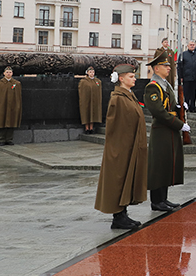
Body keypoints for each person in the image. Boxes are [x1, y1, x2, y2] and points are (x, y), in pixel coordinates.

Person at [94, 64, 148, 229]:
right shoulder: (118, 98)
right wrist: (120, 148)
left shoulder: (128, 96)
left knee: (125, 180)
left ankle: (122, 214)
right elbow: (114, 127)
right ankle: (118, 217)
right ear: (121, 78)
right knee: (119, 180)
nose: (135, 78)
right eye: (131, 76)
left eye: (134, 76)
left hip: (130, 146)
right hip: (122, 148)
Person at [144, 56, 188, 212]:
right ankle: (156, 201)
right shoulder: (153, 87)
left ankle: (163, 199)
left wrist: (179, 106)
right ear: (156, 68)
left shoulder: (166, 84)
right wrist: (179, 124)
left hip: (169, 130)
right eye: (165, 66)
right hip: (161, 130)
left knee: (166, 165)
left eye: (169, 65)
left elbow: (169, 104)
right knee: (159, 166)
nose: (169, 68)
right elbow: (159, 111)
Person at [0, 66, 22, 145]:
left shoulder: (16, 84)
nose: (8, 74)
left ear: (12, 73)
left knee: (11, 122)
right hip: (2, 106)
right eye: (7, 72)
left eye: (10, 72)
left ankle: (9, 139)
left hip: (12, 106)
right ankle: (2, 140)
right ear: (4, 73)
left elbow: (18, 97)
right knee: (1, 122)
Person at [177, 41, 196, 112]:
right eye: (190, 45)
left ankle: (192, 107)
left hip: (195, 77)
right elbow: (180, 66)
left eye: (193, 45)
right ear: (188, 46)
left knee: (193, 93)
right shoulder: (183, 54)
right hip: (186, 77)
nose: (192, 46)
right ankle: (186, 107)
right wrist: (180, 76)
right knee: (186, 93)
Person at [78, 65, 102, 134]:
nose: (92, 73)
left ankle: (91, 128)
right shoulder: (83, 82)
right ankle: (87, 128)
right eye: (90, 72)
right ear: (87, 73)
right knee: (86, 113)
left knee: (93, 113)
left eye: (93, 72)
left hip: (94, 101)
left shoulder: (97, 81)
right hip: (86, 101)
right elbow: (82, 91)